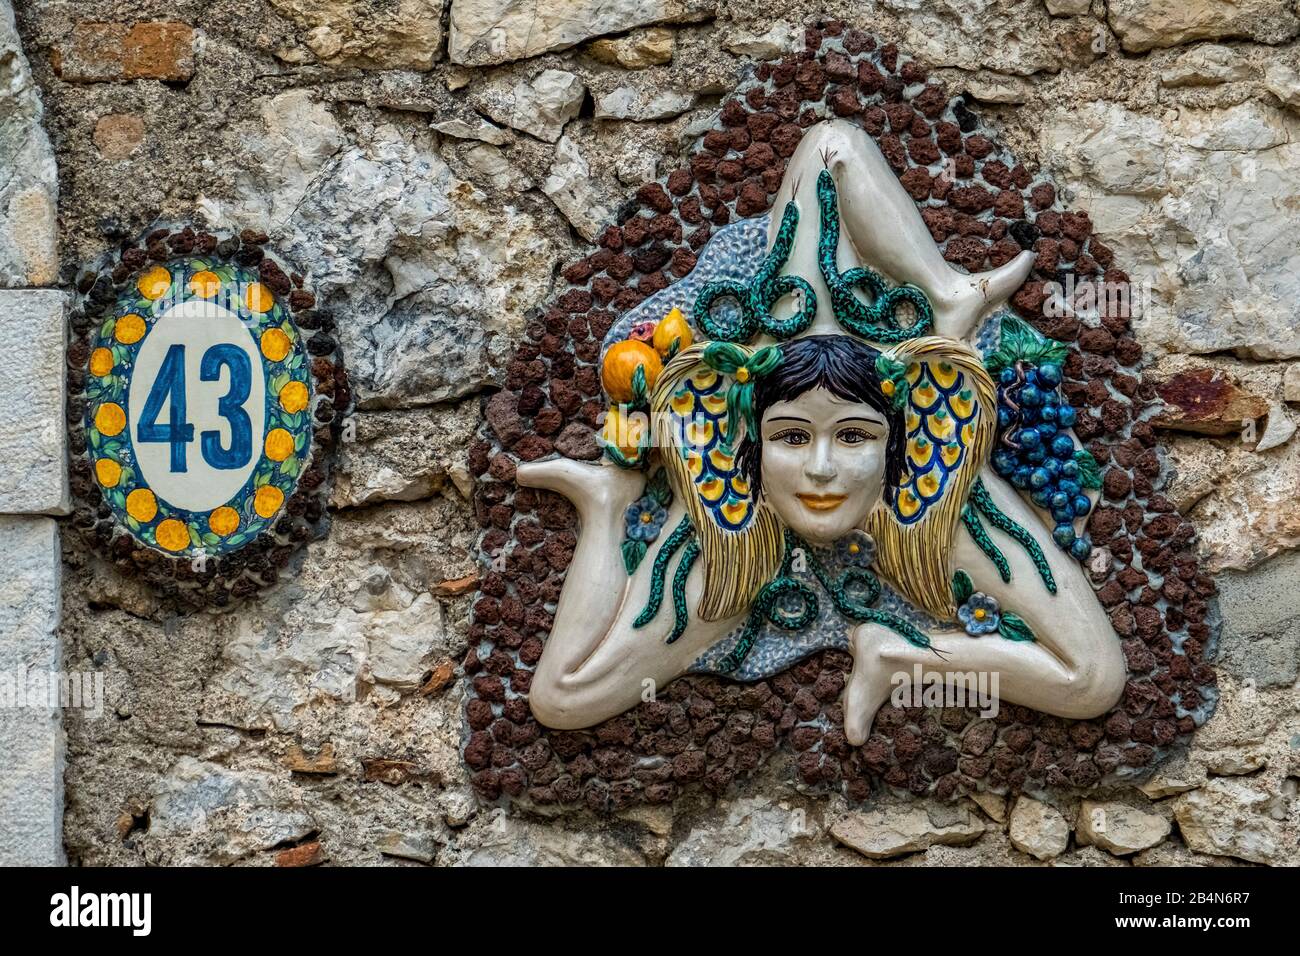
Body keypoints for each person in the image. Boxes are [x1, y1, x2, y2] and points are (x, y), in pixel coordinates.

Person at [518, 333, 1126, 744]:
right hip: (753, 534)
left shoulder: (953, 518)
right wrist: (605, 514)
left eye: (856, 436)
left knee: (1093, 684)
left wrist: (909, 661)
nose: (821, 469)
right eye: (790, 437)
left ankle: (892, 654)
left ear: (902, 444)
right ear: (748, 449)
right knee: (567, 699)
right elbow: (560, 698)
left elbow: (1090, 677)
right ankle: (606, 498)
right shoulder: (725, 540)